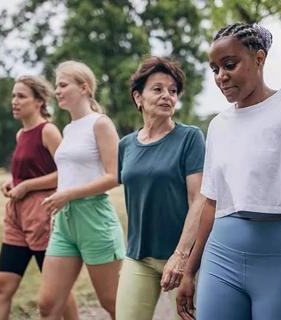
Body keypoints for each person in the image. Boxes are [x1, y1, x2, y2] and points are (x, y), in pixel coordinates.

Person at [176, 23, 281, 320]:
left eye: (229, 65)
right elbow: (211, 203)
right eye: (215, 69)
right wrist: (189, 272)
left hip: (279, 256)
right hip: (221, 256)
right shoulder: (218, 125)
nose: (221, 77)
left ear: (259, 59)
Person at [116, 56, 206, 320]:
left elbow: (198, 199)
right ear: (138, 98)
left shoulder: (190, 138)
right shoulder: (126, 145)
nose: (167, 95)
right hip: (138, 256)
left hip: (184, 258)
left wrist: (181, 257)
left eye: (173, 90)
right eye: (157, 89)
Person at [38, 60, 125, 320]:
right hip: (65, 223)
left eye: (63, 85)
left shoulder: (100, 123)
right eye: (57, 86)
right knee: (48, 304)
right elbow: (69, 174)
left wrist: (69, 195)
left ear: (84, 88)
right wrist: (63, 201)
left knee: (113, 304)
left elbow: (116, 175)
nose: (57, 91)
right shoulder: (68, 128)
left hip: (95, 219)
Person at [0, 75, 78, 320]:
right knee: (1, 285)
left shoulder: (48, 131)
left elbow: (66, 174)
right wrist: (13, 183)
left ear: (38, 101)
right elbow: (27, 171)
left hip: (43, 217)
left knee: (57, 290)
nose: (14, 101)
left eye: (21, 96)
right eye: (13, 96)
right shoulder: (20, 134)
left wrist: (26, 186)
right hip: (16, 219)